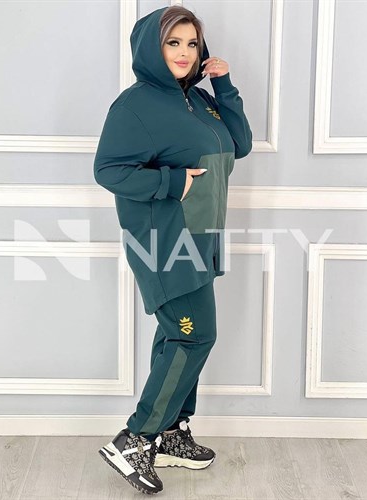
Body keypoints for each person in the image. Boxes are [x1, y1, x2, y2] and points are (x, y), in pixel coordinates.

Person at [95, 5, 252, 495]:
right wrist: (173, 182)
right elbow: (109, 170)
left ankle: (170, 432)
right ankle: (135, 439)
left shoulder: (199, 99)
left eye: (191, 43)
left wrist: (224, 86)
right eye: (173, 42)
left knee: (176, 336)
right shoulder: (134, 106)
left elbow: (240, 144)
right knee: (193, 336)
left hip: (201, 235)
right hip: (165, 241)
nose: (184, 53)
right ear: (152, 47)